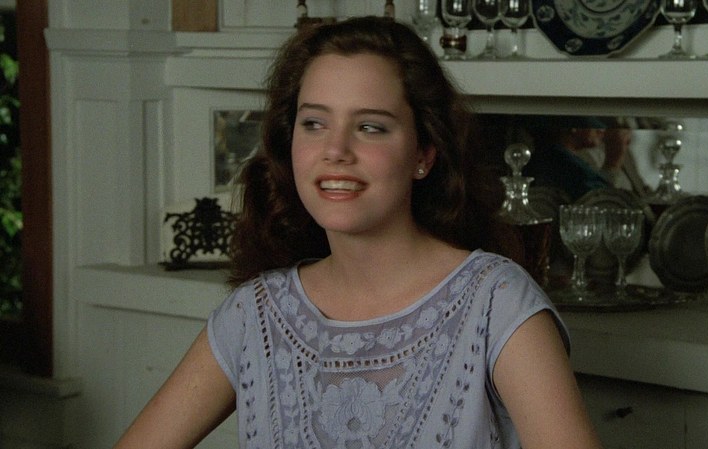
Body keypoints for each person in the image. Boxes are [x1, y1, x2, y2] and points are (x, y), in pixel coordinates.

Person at [114, 16, 602, 449]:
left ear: (423, 154)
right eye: (314, 123)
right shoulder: (253, 315)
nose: (335, 150)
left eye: (370, 127)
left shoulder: (497, 304)